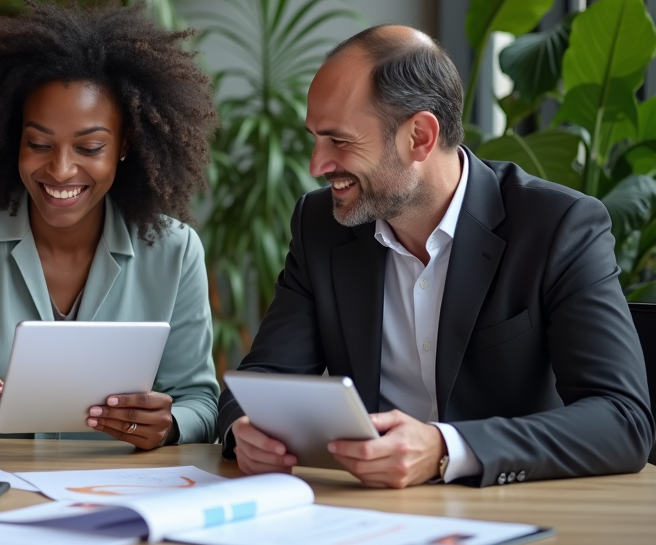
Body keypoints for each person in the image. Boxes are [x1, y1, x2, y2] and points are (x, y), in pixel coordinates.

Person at [218, 24, 654, 488]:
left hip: (514, 516)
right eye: (315, 138)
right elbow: (262, 378)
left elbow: (622, 420)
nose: (316, 165)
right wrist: (243, 430)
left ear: (420, 136)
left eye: (339, 141)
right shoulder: (320, 225)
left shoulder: (559, 226)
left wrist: (448, 449)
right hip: (364, 512)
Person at [0, 0, 220, 449]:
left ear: (124, 145)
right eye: (38, 143)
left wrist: (170, 424)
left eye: (89, 147)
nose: (60, 170)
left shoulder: (176, 251)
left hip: (117, 491)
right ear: (10, 136)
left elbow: (199, 401)